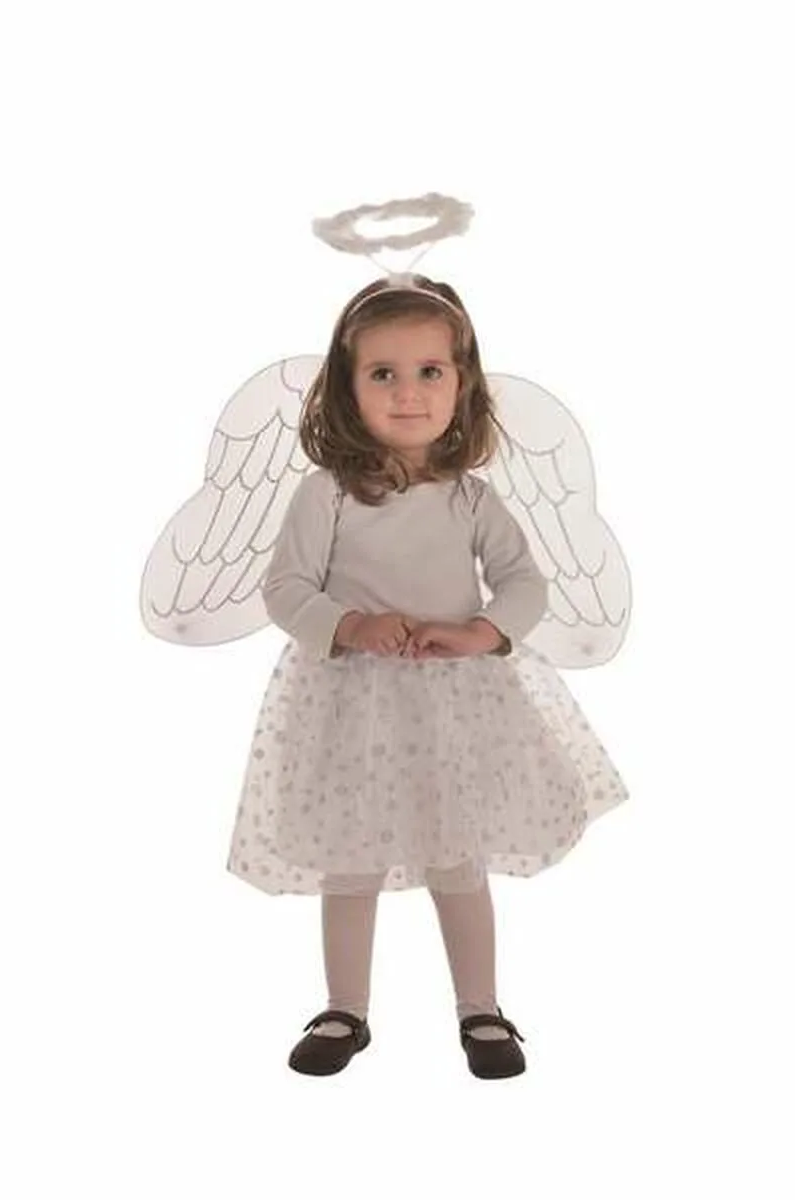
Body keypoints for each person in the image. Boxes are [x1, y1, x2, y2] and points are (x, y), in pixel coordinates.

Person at [227, 274, 628, 1079]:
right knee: (351, 859)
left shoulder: (470, 499)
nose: (407, 393)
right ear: (347, 388)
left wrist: (483, 630)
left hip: (453, 701)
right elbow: (285, 590)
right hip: (352, 700)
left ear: (462, 383)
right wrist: (351, 625)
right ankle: (345, 1009)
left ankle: (481, 1008)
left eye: (429, 371)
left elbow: (524, 584)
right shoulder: (328, 494)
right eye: (383, 373)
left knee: (457, 857)